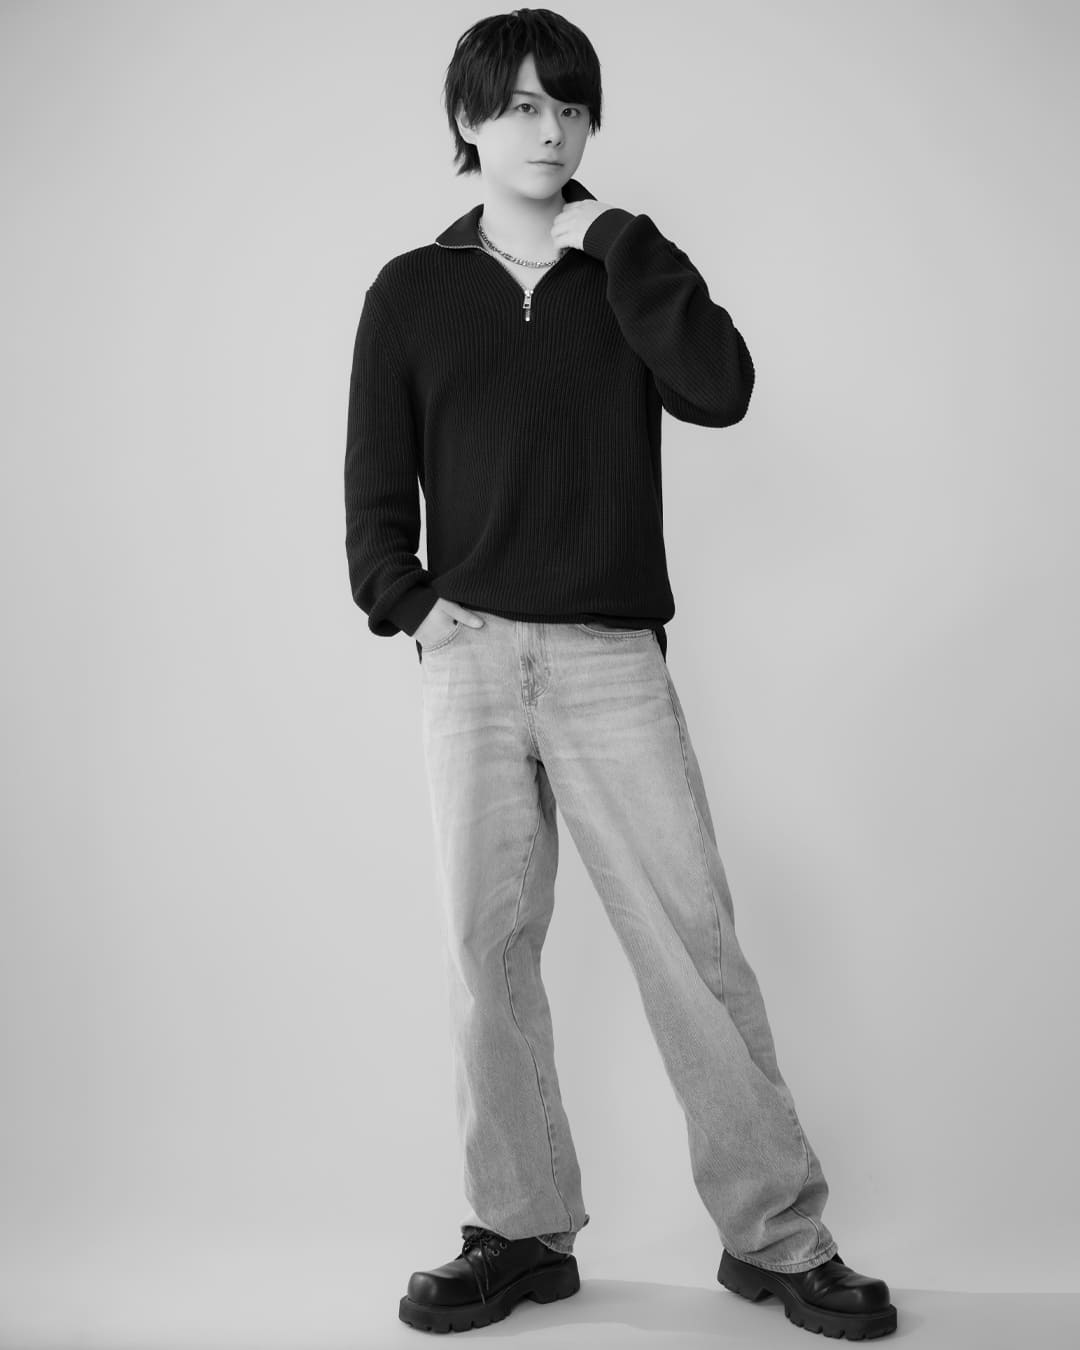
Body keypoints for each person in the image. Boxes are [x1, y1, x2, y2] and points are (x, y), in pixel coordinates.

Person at [344, 7, 896, 1340]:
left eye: (572, 106)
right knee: (488, 954)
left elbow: (721, 387)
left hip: (608, 658)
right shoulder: (411, 290)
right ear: (469, 122)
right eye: (523, 105)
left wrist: (624, 241)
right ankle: (520, 1232)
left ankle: (777, 1237)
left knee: (692, 948)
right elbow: (373, 482)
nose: (551, 129)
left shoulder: (624, 269)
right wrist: (408, 604)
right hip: (470, 660)